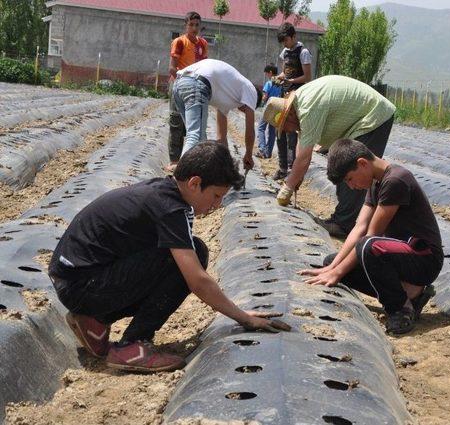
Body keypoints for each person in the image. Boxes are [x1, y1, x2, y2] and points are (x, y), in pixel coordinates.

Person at [49, 143, 290, 373]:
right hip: (83, 287)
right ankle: (133, 344)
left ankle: (95, 319)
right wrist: (243, 317)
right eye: (216, 196)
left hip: (75, 281)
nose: (217, 205)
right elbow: (197, 281)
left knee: (183, 252)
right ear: (195, 183)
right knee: (192, 255)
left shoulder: (162, 192)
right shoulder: (172, 208)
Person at [299, 139, 443, 334]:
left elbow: (370, 235)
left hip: (424, 259)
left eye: (350, 179)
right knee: (332, 260)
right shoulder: (376, 182)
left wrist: (337, 273)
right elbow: (359, 227)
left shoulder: (396, 180)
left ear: (362, 163)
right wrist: (332, 268)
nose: (351, 186)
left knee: (368, 247)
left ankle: (401, 308)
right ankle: (411, 293)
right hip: (400, 255)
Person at [263, 75, 396, 237]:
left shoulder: (307, 108)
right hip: (362, 119)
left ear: (289, 114)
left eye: (285, 126)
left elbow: (305, 158)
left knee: (351, 170)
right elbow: (302, 146)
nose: (287, 131)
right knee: (343, 167)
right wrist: (297, 176)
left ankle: (344, 224)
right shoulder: (301, 103)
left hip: (373, 116)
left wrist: (288, 187)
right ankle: (348, 220)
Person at [172, 59, 263, 171]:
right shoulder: (251, 90)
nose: (243, 111)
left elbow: (221, 138)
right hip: (196, 82)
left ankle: (195, 176)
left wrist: (225, 164)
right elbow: (250, 131)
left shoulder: (229, 95)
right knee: (195, 136)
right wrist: (248, 154)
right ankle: (179, 178)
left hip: (179, 83)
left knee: (199, 140)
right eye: (248, 109)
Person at [167, 11, 209, 172]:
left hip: (196, 87)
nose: (194, 28)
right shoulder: (179, 42)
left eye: (197, 25)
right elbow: (172, 67)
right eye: (191, 25)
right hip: (179, 84)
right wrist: (182, 80)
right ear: (186, 25)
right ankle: (174, 160)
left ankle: (191, 161)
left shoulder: (203, 44)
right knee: (176, 122)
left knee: (192, 126)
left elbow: (205, 67)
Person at [273, 22, 313, 180]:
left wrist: (291, 81)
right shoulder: (285, 51)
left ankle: (291, 168)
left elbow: (307, 77)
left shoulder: (303, 52)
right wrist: (279, 78)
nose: (285, 44)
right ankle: (282, 167)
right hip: (285, 94)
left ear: (294, 36)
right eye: (283, 42)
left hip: (297, 95)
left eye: (286, 40)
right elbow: (285, 72)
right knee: (279, 130)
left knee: (291, 132)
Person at [256, 64, 282, 159]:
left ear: (270, 72)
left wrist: (260, 102)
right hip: (278, 108)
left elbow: (265, 97)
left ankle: (262, 150)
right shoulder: (281, 83)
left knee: (261, 128)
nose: (267, 75)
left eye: (267, 73)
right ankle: (268, 153)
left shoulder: (269, 83)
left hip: (269, 107)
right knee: (271, 131)